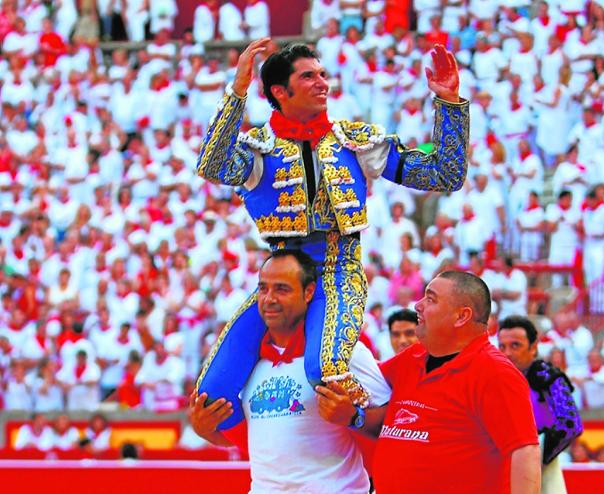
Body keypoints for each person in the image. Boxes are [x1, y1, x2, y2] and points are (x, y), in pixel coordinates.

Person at [195, 38, 469, 430]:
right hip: (280, 279)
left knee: (326, 370)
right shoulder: (258, 149)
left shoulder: (353, 142)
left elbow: (445, 174)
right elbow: (212, 164)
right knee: (212, 398)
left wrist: (449, 104)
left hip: (337, 269)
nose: (323, 82)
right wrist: (237, 91)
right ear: (279, 91)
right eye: (309, 76)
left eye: (323, 73)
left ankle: (384, 429)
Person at [317, 271, 541, 493]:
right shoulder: (414, 357)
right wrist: (353, 415)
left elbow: (524, 451)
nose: (418, 305)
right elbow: (380, 403)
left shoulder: (496, 373)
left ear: (461, 316)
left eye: (430, 299)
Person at [189, 250, 391, 492]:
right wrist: (205, 430)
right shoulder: (246, 364)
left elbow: (392, 424)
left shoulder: (345, 354)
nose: (269, 299)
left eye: (282, 289)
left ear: (308, 292)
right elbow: (258, 443)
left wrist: (354, 417)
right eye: (263, 289)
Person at [498, 316, 583, 494]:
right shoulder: (493, 378)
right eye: (502, 346)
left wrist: (537, 458)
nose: (507, 353)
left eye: (515, 345)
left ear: (533, 347)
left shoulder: (549, 378)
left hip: (540, 468)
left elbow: (571, 424)